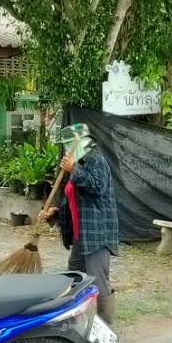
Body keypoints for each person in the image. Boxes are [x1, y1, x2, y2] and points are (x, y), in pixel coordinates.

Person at [42, 123, 118, 324]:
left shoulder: (96, 160)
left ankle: (105, 328)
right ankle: (76, 323)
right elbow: (71, 200)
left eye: (69, 144)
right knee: (74, 278)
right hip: (80, 236)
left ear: (82, 142)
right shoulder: (78, 163)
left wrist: (73, 168)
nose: (67, 149)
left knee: (98, 282)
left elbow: (97, 187)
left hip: (96, 235)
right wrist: (54, 212)